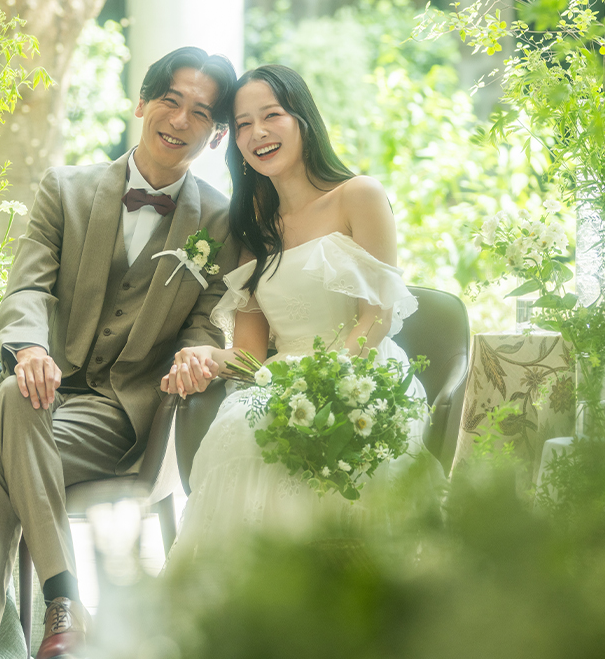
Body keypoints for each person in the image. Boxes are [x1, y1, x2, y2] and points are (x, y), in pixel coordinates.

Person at [0, 46, 238, 659]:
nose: (180, 120)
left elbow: (204, 324)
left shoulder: (221, 222)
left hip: (122, 412)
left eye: (200, 112)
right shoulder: (65, 188)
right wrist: (31, 349)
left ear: (216, 135)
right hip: (46, 390)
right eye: (170, 100)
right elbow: (27, 287)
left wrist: (195, 357)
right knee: (13, 400)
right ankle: (64, 609)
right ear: (142, 103)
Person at [162, 64, 425, 557]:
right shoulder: (253, 228)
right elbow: (250, 356)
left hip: (361, 373)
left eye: (272, 115)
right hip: (281, 383)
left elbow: (377, 318)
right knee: (242, 430)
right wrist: (203, 356)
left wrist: (330, 384)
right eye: (243, 124)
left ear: (302, 118)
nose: (257, 132)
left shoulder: (358, 196)